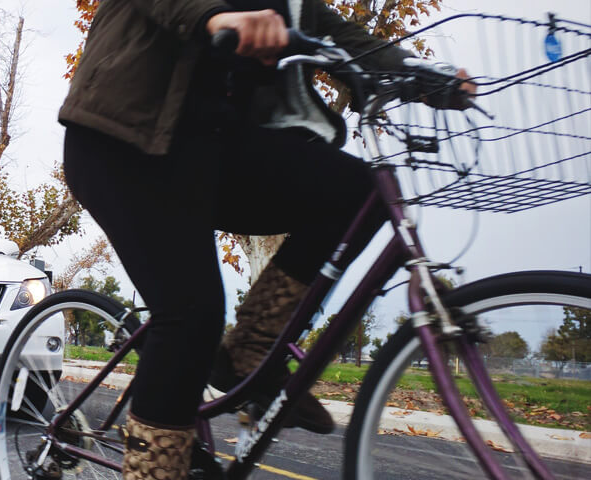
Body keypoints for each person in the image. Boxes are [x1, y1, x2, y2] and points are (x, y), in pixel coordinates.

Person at [59, 1, 472, 478]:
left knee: (358, 193)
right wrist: (216, 16)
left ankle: (251, 348)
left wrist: (430, 80)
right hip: (123, 143)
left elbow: (357, 44)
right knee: (192, 314)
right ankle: (153, 467)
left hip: (211, 150)